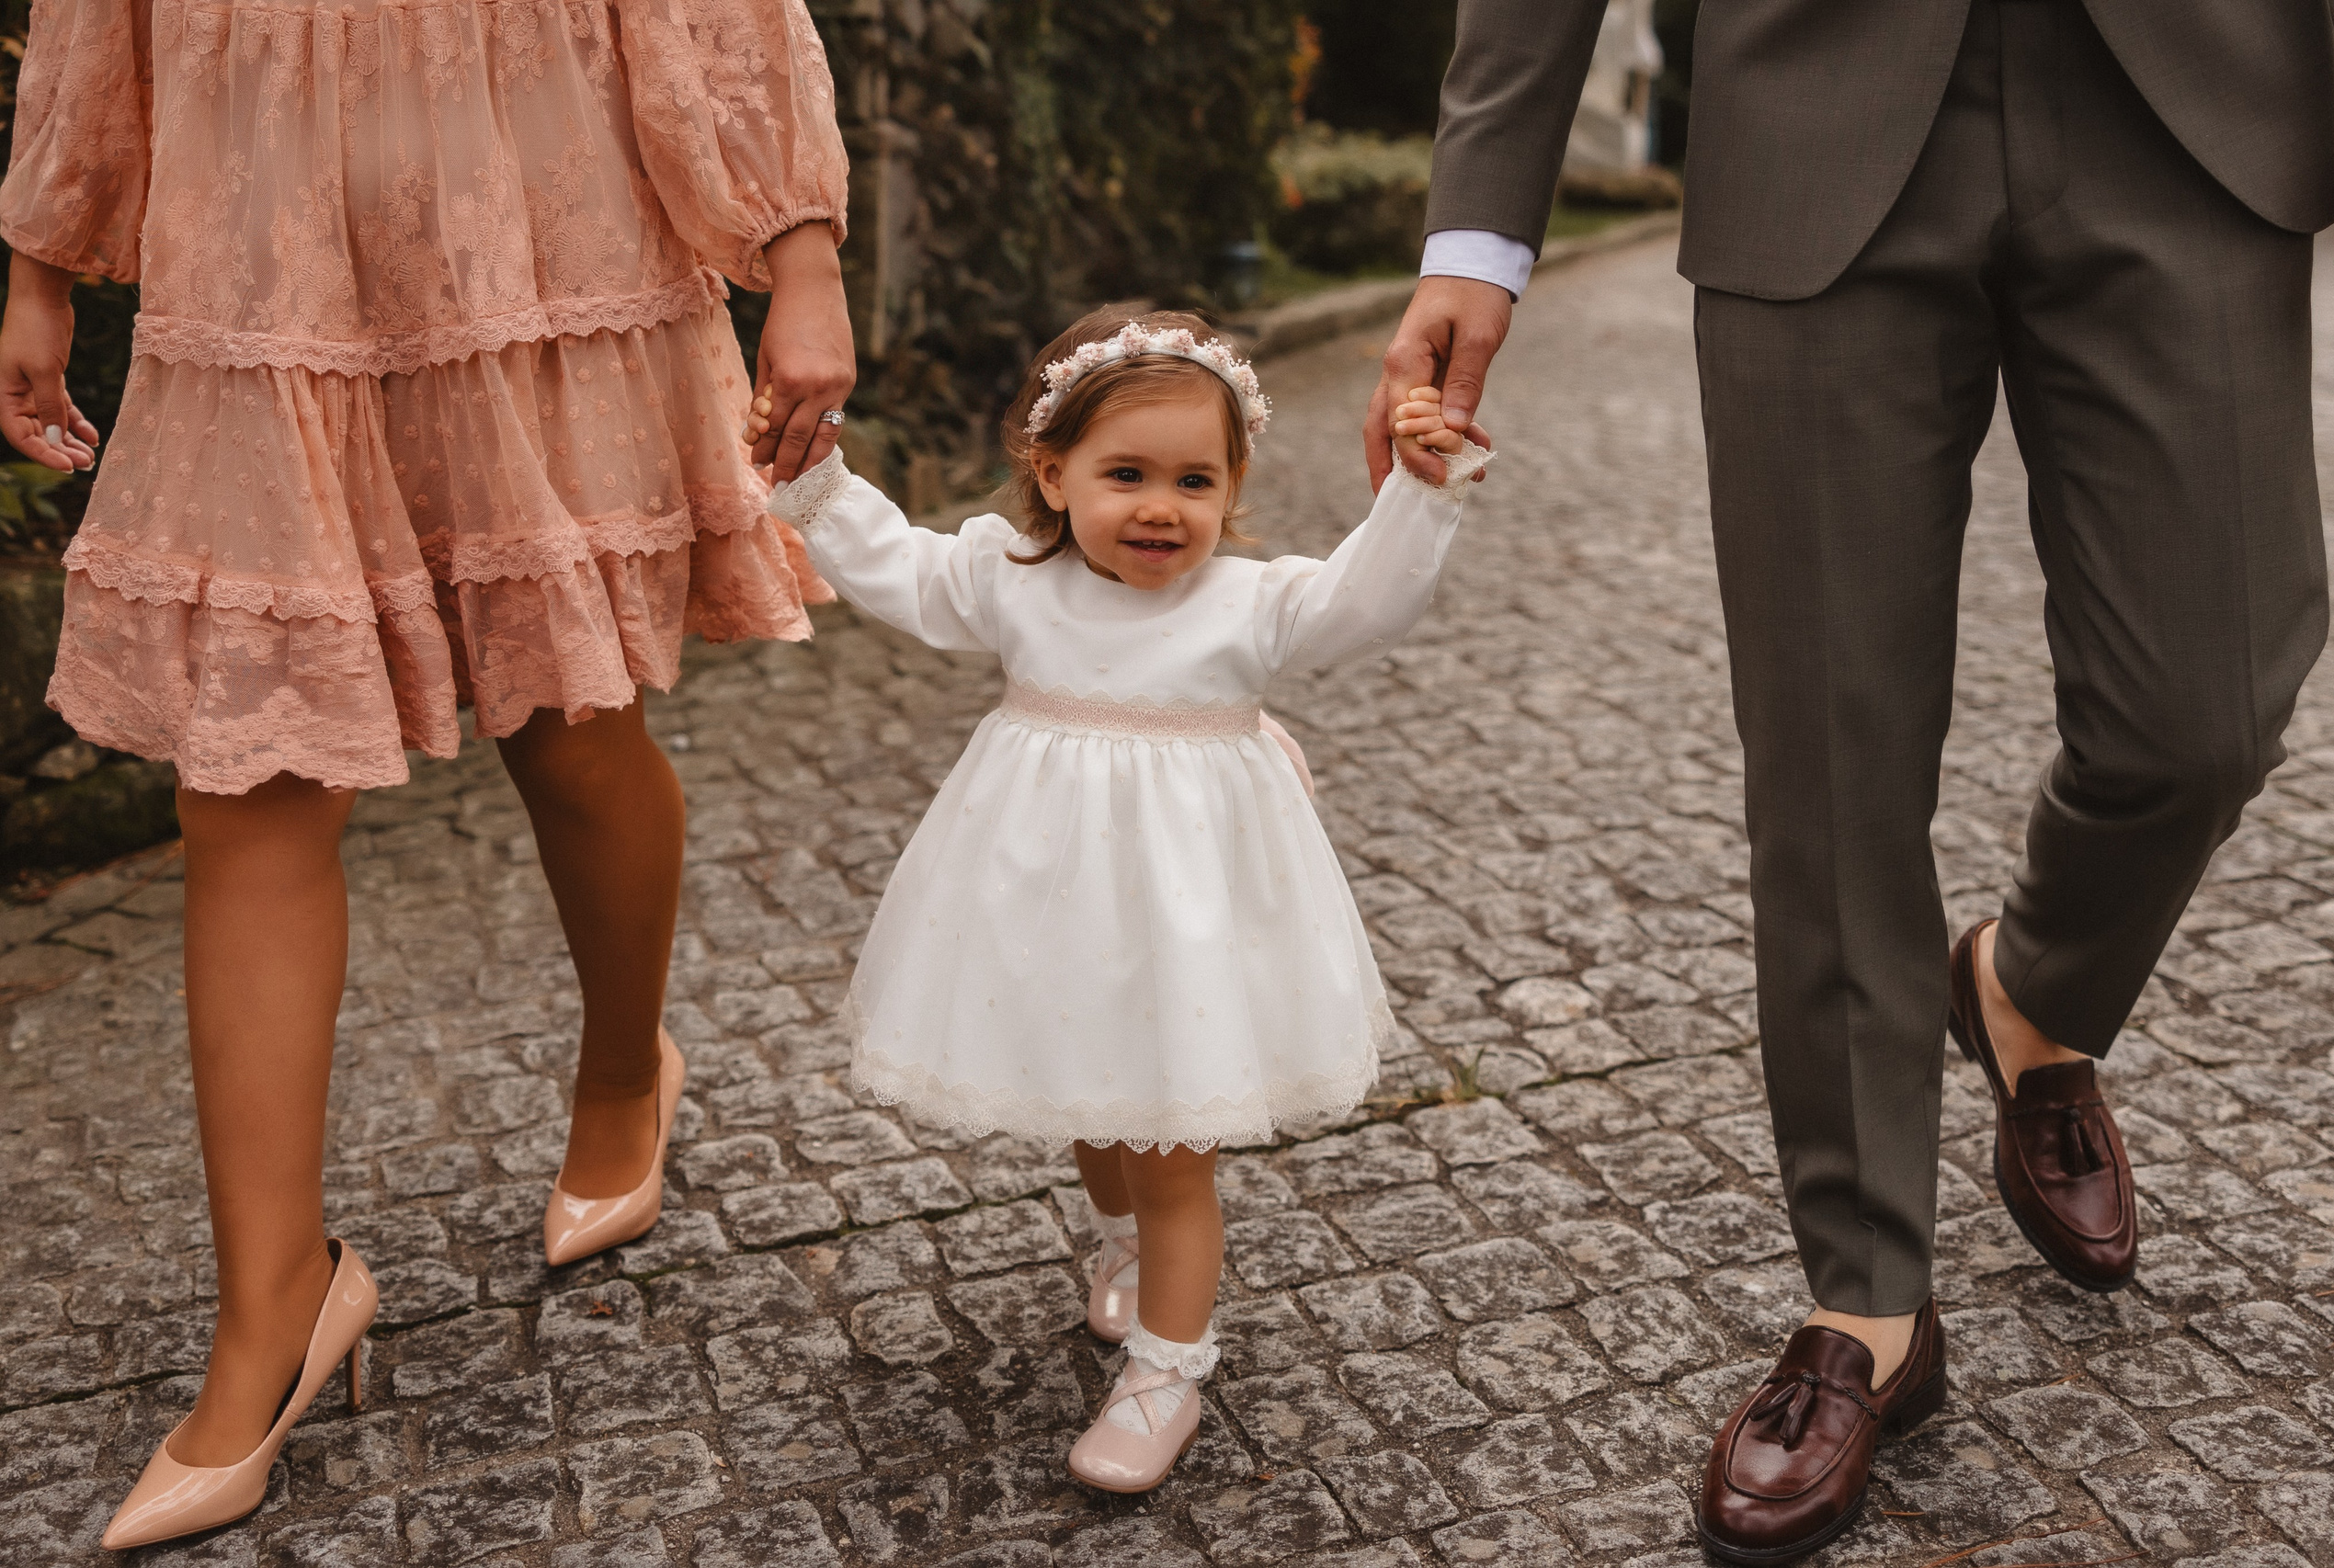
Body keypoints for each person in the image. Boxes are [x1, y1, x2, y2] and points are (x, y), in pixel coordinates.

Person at [1369, 1, 2334, 1562]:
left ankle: (2028, 986)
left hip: (2196, 106)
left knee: (2208, 706)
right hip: (1818, 117)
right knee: (1831, 745)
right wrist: (1479, 233)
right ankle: (1869, 1301)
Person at [0, 0, 856, 1549]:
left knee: (574, 726)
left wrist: (797, 252)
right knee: (242, 774)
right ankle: (275, 1307)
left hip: (540, 224)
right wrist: (39, 266)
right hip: (261, 254)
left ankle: (623, 1073)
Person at [767, 306, 1489, 1493]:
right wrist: (816, 482)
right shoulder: (1012, 577)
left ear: (1233, 481)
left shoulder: (1246, 603)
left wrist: (1420, 491)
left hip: (1188, 921)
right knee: (1092, 1105)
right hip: (1052, 904)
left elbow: (1366, 599)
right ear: (1052, 474)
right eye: (1127, 474)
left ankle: (1168, 1367)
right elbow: (897, 564)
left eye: (1195, 478)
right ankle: (1119, 1242)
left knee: (1169, 1147)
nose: (1163, 506)